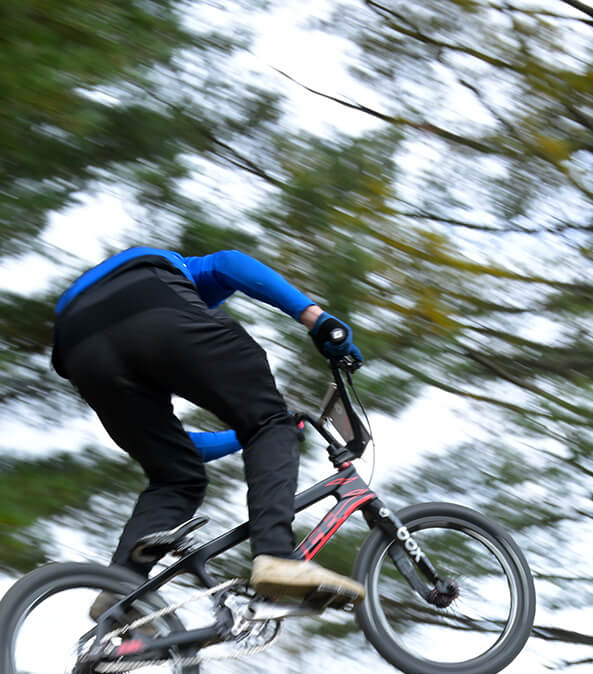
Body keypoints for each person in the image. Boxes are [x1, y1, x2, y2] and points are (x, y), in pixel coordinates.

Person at [50, 245, 370, 616]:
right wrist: (317, 319)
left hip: (77, 350)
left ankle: (120, 592)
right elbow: (229, 262)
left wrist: (246, 434)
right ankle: (276, 556)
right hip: (147, 299)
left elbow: (184, 448)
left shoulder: (135, 323)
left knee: (175, 476)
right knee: (270, 416)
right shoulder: (181, 270)